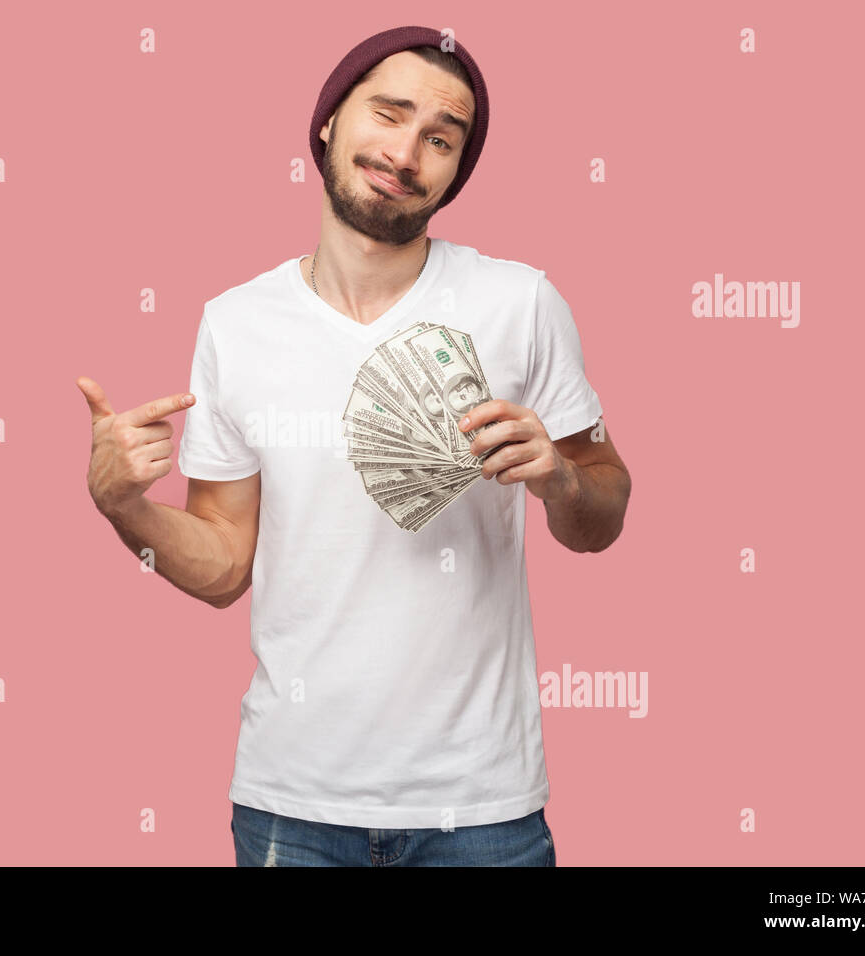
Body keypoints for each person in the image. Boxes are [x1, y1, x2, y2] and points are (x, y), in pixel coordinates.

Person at [77, 25, 631, 866]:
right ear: (332, 119)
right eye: (389, 113)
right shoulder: (236, 324)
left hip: (480, 806)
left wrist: (559, 477)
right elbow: (226, 564)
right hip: (291, 805)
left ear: (455, 170)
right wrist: (122, 506)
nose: (407, 152)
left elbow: (604, 509)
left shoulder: (523, 303)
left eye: (440, 139)